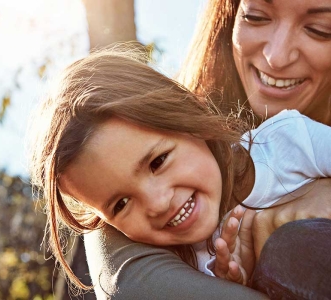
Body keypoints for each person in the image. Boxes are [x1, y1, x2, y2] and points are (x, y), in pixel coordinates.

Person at [78, 0, 331, 298]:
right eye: (256, 16)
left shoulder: (288, 140)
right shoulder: (176, 237)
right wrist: (239, 281)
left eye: (319, 29)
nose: (275, 57)